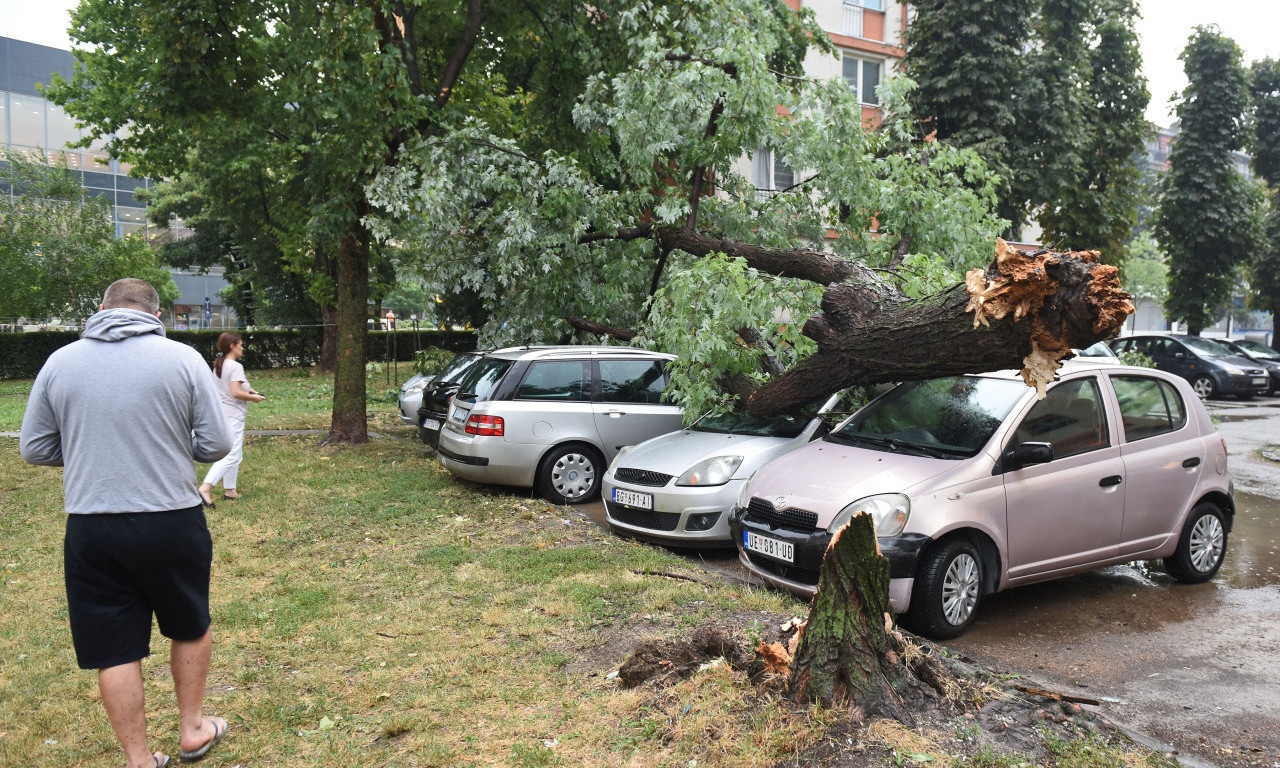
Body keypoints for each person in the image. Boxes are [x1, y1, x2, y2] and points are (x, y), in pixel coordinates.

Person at [20, 279, 233, 768]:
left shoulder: (61, 361)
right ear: (157, 316)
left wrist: (85, 452)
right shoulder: (181, 359)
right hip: (170, 518)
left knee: (114, 647)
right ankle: (193, 730)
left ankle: (139, 760)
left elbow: (34, 447)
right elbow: (217, 443)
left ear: (101, 310)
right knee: (189, 623)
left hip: (92, 525)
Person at [199, 332, 266, 504]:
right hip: (233, 415)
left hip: (223, 414)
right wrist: (254, 398)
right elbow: (235, 392)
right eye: (240, 344)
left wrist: (248, 390)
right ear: (232, 346)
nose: (242, 348)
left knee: (232, 452)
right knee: (233, 455)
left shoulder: (219, 365)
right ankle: (205, 488)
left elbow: (226, 389)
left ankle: (230, 490)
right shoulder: (235, 367)